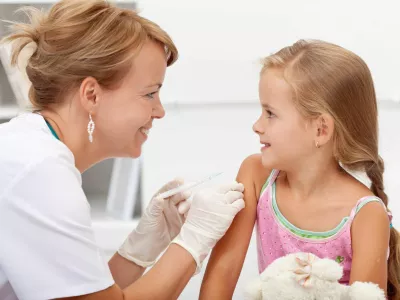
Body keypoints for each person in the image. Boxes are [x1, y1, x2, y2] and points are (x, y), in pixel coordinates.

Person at [0, 1, 245, 299]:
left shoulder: (31, 151)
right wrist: (194, 241)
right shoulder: (40, 171)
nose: (160, 111)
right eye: (150, 94)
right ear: (91, 94)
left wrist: (140, 248)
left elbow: (86, 294)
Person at [199, 40, 400, 300]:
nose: (257, 125)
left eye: (270, 113)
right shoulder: (256, 175)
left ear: (320, 129)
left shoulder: (366, 215)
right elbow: (222, 274)